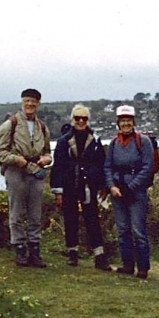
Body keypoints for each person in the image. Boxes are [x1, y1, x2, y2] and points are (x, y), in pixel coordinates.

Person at [0, 88, 52, 267]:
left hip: (36, 171)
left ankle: (35, 251)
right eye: (27, 101)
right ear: (22, 102)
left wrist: (47, 159)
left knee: (35, 214)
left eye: (33, 102)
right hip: (16, 171)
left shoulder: (42, 126)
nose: (30, 104)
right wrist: (16, 159)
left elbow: (48, 152)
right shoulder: (9, 125)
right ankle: (20, 249)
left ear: (38, 104)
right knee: (16, 213)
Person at [50, 104, 112, 270]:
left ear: (88, 120)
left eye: (84, 118)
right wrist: (58, 191)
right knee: (70, 219)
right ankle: (72, 253)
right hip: (70, 184)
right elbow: (58, 166)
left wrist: (103, 186)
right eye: (77, 118)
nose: (80, 121)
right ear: (72, 119)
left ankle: (99, 256)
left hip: (89, 186)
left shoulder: (95, 140)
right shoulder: (63, 141)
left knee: (92, 219)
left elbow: (102, 163)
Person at [104, 104, 155, 279]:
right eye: (122, 121)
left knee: (138, 230)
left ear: (133, 122)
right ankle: (127, 264)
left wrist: (131, 187)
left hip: (136, 192)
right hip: (117, 191)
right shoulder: (113, 143)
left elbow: (147, 167)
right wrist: (112, 186)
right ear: (118, 123)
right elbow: (107, 166)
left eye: (128, 121)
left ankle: (143, 267)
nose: (126, 124)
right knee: (122, 229)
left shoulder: (143, 142)